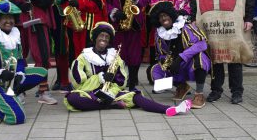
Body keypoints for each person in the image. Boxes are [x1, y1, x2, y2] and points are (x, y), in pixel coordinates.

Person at [64, 21, 192, 116]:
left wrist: (112, 85)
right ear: (95, 38)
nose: (103, 39)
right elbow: (77, 83)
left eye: (107, 37)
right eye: (101, 35)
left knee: (136, 96)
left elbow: (122, 81)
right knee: (72, 98)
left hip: (112, 93)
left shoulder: (115, 57)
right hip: (90, 93)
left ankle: (169, 109)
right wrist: (99, 78)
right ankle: (110, 105)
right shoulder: (83, 57)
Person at [4, 0, 57, 105]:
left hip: (38, 22)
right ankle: (19, 91)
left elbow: (50, 0)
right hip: (18, 24)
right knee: (17, 56)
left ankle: (43, 91)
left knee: (42, 55)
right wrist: (20, 5)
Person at [149, 1, 211, 108]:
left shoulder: (185, 27)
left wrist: (181, 58)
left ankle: (199, 95)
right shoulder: (159, 34)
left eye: (165, 15)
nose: (163, 19)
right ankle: (182, 86)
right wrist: (165, 61)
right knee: (155, 71)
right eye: (160, 17)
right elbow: (161, 53)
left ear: (171, 15)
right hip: (176, 64)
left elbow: (202, 44)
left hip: (190, 62)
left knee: (200, 59)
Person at [106, 0, 149, 91]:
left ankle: (133, 82)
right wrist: (114, 12)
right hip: (118, 22)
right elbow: (107, 0)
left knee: (134, 53)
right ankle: (118, 81)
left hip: (134, 22)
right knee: (118, 52)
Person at [35, 0, 70, 93]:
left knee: (61, 47)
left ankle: (63, 81)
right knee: (43, 48)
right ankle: (42, 84)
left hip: (59, 13)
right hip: (42, 12)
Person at [137, 0, 163, 84]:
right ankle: (134, 75)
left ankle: (154, 76)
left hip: (156, 11)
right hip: (142, 11)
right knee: (141, 42)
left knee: (155, 43)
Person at [52, 0, 76, 91]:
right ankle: (60, 79)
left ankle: (73, 79)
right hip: (60, 15)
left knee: (73, 49)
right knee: (60, 49)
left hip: (76, 16)